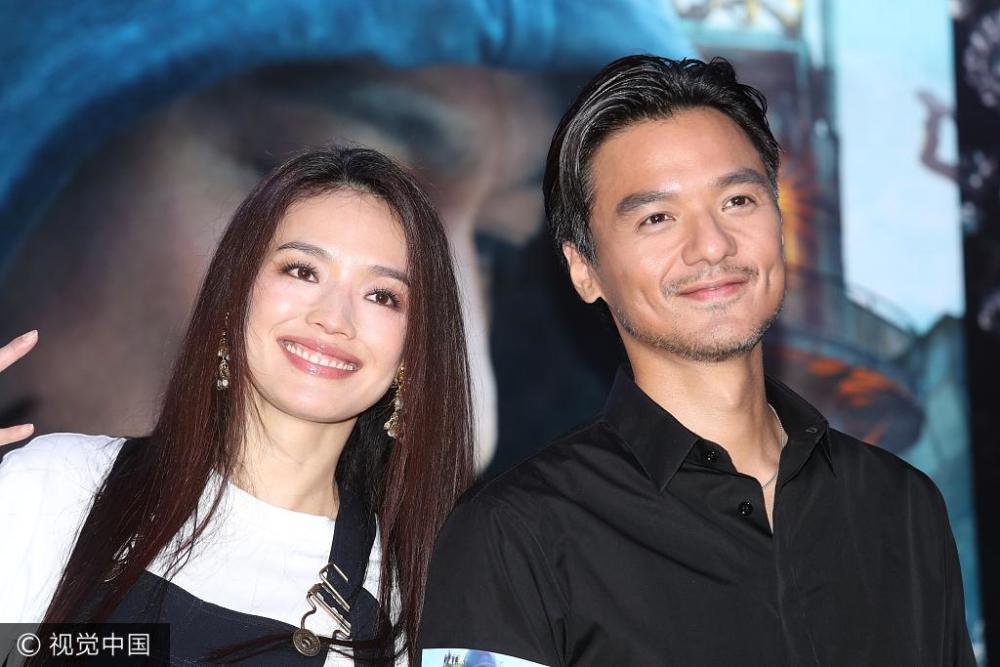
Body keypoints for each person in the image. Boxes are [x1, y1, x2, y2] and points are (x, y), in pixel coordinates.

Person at [416, 56, 976, 666]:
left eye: (738, 200)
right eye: (657, 217)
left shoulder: (902, 506)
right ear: (584, 269)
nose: (712, 245)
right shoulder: (513, 535)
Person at [0, 147, 474, 665]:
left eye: (382, 296)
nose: (334, 318)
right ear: (234, 296)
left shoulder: (404, 612)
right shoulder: (61, 485)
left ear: (412, 352)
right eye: (303, 271)